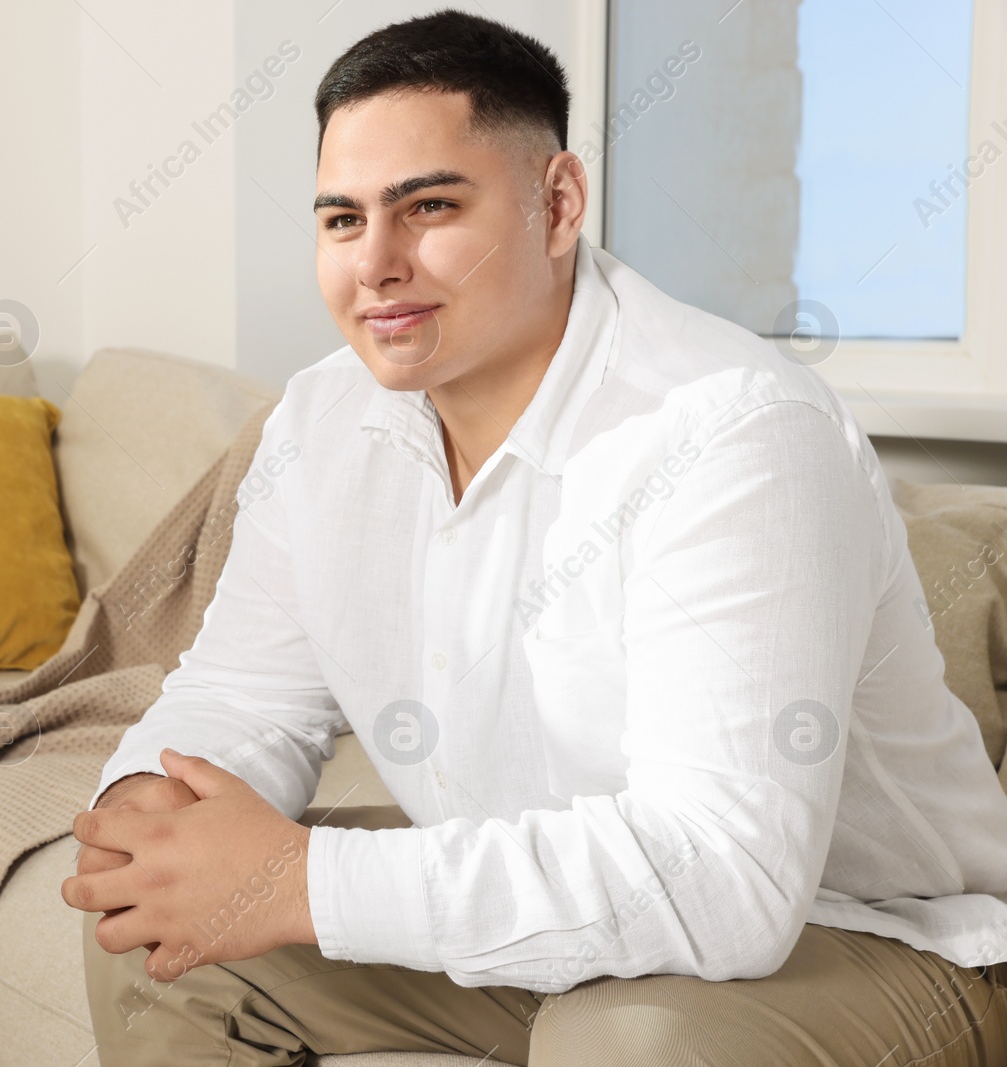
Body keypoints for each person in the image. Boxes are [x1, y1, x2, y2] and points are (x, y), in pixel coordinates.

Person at [63, 9, 1007, 1064]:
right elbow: (242, 695)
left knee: (630, 1036)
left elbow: (725, 874)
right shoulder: (321, 421)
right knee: (158, 937)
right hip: (535, 915)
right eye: (341, 220)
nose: (375, 264)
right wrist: (156, 810)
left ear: (557, 204)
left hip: (862, 936)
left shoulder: (732, 428)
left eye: (426, 207)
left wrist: (300, 880)